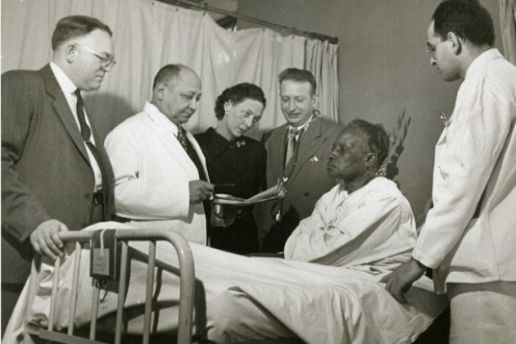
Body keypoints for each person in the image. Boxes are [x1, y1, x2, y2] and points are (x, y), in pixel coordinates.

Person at [206, 119, 419, 342]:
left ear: (369, 159)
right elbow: (304, 240)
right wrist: (312, 242)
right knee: (239, 267)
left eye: (343, 149)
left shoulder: (385, 199)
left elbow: (324, 252)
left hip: (359, 279)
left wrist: (312, 240)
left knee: (234, 301)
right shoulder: (333, 195)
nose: (332, 154)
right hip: (317, 269)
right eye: (334, 147)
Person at [382, 1, 516, 343]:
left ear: (454, 41)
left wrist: (418, 262)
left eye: (433, 47)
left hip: (487, 271)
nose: (431, 58)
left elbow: (462, 182)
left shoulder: (482, 82)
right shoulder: (508, 77)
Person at [1, 15, 116, 332]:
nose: (108, 66)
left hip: (67, 268)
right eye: (103, 58)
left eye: (111, 60)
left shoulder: (78, 105)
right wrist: (34, 221)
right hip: (22, 263)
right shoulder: (20, 85)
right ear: (71, 52)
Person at [105, 64, 213, 244]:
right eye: (188, 96)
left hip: (190, 246)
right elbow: (116, 194)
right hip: (154, 251)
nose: (194, 106)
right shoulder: (128, 132)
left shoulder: (185, 136)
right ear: (161, 91)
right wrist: (183, 194)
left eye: (198, 99)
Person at [260, 68, 343, 252]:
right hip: (273, 237)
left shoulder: (337, 136)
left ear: (314, 100)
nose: (291, 107)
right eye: (285, 99)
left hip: (312, 240)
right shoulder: (272, 138)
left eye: (299, 100)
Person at [195, 83, 267, 254]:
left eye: (255, 119)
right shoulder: (196, 144)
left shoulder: (256, 150)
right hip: (206, 238)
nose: (249, 123)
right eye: (246, 113)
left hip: (246, 241)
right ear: (227, 106)